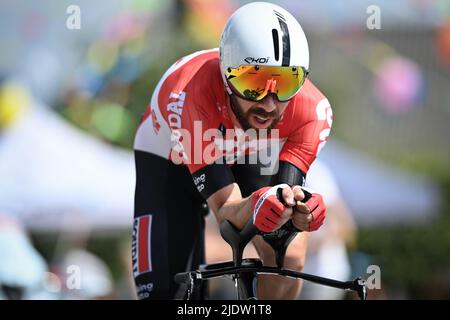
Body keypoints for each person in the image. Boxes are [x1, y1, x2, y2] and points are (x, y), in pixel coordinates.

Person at [132, 2, 333, 300]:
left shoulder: (312, 110)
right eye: (253, 83)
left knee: (288, 253)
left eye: (287, 83)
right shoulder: (190, 93)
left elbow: (284, 205)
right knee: (167, 293)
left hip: (244, 151)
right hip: (169, 160)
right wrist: (259, 204)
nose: (269, 103)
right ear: (226, 76)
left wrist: (299, 210)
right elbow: (226, 211)